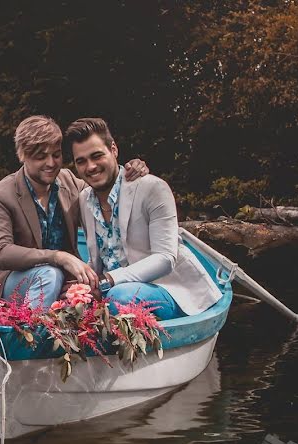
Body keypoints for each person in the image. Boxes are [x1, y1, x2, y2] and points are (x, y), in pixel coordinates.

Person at [0, 115, 149, 309]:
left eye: (56, 155)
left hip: (60, 278)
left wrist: (130, 170)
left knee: (90, 281)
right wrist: (57, 257)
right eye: (41, 157)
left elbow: (106, 191)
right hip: (5, 282)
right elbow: (0, 252)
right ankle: (32, 335)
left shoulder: (70, 182)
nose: (51, 163)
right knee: (49, 274)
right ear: (22, 155)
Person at [65, 117, 221, 319]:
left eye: (97, 156)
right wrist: (81, 286)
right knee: (68, 300)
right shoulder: (85, 199)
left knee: (119, 297)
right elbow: (98, 259)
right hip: (112, 291)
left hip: (167, 289)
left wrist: (108, 280)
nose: (91, 167)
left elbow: (165, 259)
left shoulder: (152, 188)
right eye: (81, 161)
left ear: (113, 150)